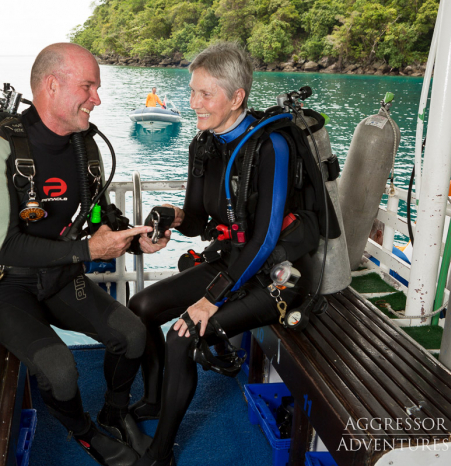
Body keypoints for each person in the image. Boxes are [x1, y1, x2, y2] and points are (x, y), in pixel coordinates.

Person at [0, 43, 169, 466]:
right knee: (60, 370)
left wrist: (133, 237)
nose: (98, 98)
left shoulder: (84, 146)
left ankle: (114, 412)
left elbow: (96, 214)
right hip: (5, 285)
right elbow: (7, 244)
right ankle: (85, 433)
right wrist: (88, 249)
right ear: (52, 86)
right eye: (89, 85)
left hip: (59, 276)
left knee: (132, 335)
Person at [128, 42, 322, 465]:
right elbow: (199, 221)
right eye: (192, 92)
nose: (193, 103)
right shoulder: (205, 144)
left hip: (278, 275)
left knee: (181, 334)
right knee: (140, 306)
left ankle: (161, 452)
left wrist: (210, 298)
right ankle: (156, 398)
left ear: (236, 98)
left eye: (205, 94)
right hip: (230, 261)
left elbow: (266, 239)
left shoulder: (273, 148)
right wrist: (170, 214)